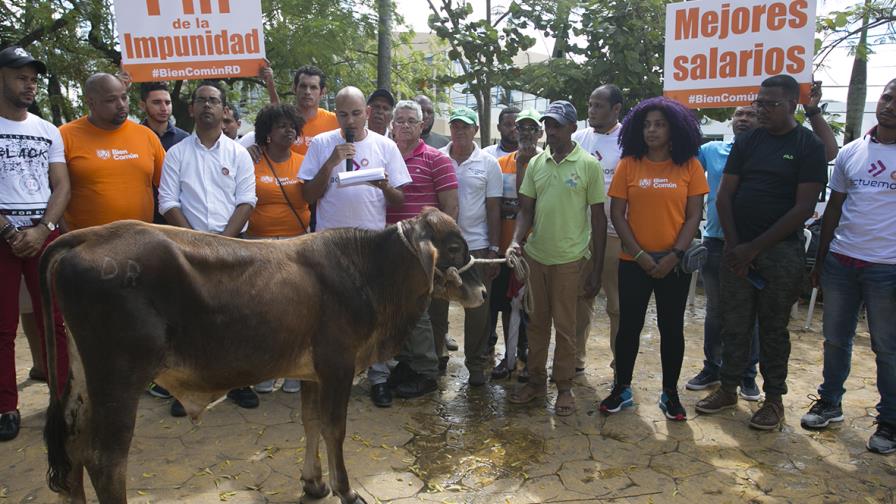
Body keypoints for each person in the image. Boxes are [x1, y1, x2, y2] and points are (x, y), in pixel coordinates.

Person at [696, 75, 828, 430]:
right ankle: (727, 388)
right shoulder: (749, 140)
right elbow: (724, 196)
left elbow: (803, 208)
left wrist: (754, 247)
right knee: (733, 323)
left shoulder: (808, 145)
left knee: (772, 329)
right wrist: (737, 247)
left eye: (771, 103)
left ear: (791, 105)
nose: (763, 109)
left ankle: (773, 401)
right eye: (759, 102)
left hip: (781, 253)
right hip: (736, 249)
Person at [800, 80, 896, 455]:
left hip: (888, 268)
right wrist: (821, 262)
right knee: (835, 340)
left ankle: (889, 420)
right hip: (842, 262)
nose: (889, 105)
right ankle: (829, 403)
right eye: (887, 97)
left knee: (887, 348)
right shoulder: (853, 152)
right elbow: (834, 209)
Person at [599, 97, 708, 422]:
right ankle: (622, 388)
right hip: (634, 262)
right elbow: (617, 214)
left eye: (659, 124)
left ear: (674, 128)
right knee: (628, 328)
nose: (652, 130)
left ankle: (670, 393)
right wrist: (640, 254)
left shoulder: (690, 166)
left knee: (672, 329)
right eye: (647, 125)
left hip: (673, 264)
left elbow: (693, 216)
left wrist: (674, 255)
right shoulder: (629, 164)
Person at [158, 81, 258, 417]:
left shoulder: (238, 153)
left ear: (224, 109)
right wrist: (195, 242)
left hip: (232, 246)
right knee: (189, 319)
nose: (207, 106)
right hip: (187, 249)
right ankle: (189, 387)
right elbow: (167, 202)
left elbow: (246, 200)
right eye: (200, 100)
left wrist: (222, 243)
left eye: (213, 100)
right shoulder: (177, 154)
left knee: (236, 315)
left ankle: (239, 382)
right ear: (191, 109)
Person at [506, 101, 606, 416]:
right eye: (548, 124)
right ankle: (535, 382)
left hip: (570, 259)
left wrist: (597, 269)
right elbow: (525, 210)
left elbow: (599, 219)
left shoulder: (588, 164)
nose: (551, 131)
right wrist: (515, 241)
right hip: (537, 257)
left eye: (557, 125)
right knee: (536, 324)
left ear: (573, 128)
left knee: (566, 326)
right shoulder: (537, 163)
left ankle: (563, 387)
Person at [0, 46, 70, 441]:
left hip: (42, 231)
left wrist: (44, 228)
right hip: (2, 233)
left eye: (32, 79)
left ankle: (61, 398)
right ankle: (6, 406)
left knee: (55, 321)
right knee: (3, 325)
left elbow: (61, 184)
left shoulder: (47, 130)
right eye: (20, 77)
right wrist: (9, 232)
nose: (29, 85)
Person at [372, 99, 459, 402]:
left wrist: (441, 252)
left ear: (422, 126)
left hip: (422, 249)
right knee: (396, 311)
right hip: (386, 248)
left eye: (412, 120)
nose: (405, 125)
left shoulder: (437, 159)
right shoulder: (381, 155)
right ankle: (406, 365)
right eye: (400, 120)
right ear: (391, 124)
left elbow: (450, 209)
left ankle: (425, 372)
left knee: (419, 312)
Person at [434, 107, 502, 386]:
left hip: (475, 246)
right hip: (440, 248)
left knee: (477, 310)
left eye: (465, 126)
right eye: (455, 126)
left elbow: (494, 208)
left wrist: (494, 248)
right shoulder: (436, 158)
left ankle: (475, 365)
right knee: (435, 306)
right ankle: (436, 358)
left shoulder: (488, 163)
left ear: (475, 130)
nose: (459, 131)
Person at [245, 103, 310, 395]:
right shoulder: (250, 160)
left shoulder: (304, 161)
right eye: (281, 126)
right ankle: (266, 370)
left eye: (292, 126)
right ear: (267, 133)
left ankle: (295, 370)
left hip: (297, 245)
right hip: (259, 246)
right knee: (264, 312)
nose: (289, 130)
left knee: (297, 311)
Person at [59, 73, 166, 231]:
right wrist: (66, 237)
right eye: (111, 100)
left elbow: (170, 188)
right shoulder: (64, 136)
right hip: (85, 245)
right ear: (91, 103)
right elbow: (50, 193)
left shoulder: (147, 136)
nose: (121, 104)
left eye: (124, 97)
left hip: (141, 243)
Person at [572, 84, 624, 377]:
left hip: (616, 233)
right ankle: (576, 358)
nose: (591, 111)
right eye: (590, 105)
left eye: (599, 106)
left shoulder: (629, 142)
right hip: (581, 234)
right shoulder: (579, 138)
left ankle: (619, 364)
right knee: (581, 298)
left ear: (616, 109)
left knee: (616, 304)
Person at [490, 109, 542, 380]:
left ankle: (529, 357)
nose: (526, 133)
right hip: (506, 247)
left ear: (540, 133)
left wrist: (527, 165)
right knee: (506, 305)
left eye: (532, 128)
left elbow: (529, 206)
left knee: (533, 308)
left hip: (536, 249)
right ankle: (508, 357)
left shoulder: (547, 164)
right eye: (522, 127)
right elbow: (498, 205)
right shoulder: (501, 164)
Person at [240, 65, 339, 156]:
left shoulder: (336, 121)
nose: (307, 92)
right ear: (294, 88)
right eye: (303, 86)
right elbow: (276, 113)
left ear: (323, 92)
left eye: (313, 87)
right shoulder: (283, 121)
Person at [139, 82, 190, 150]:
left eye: (167, 103)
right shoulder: (133, 137)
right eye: (157, 102)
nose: (164, 108)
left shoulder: (184, 139)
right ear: (142, 105)